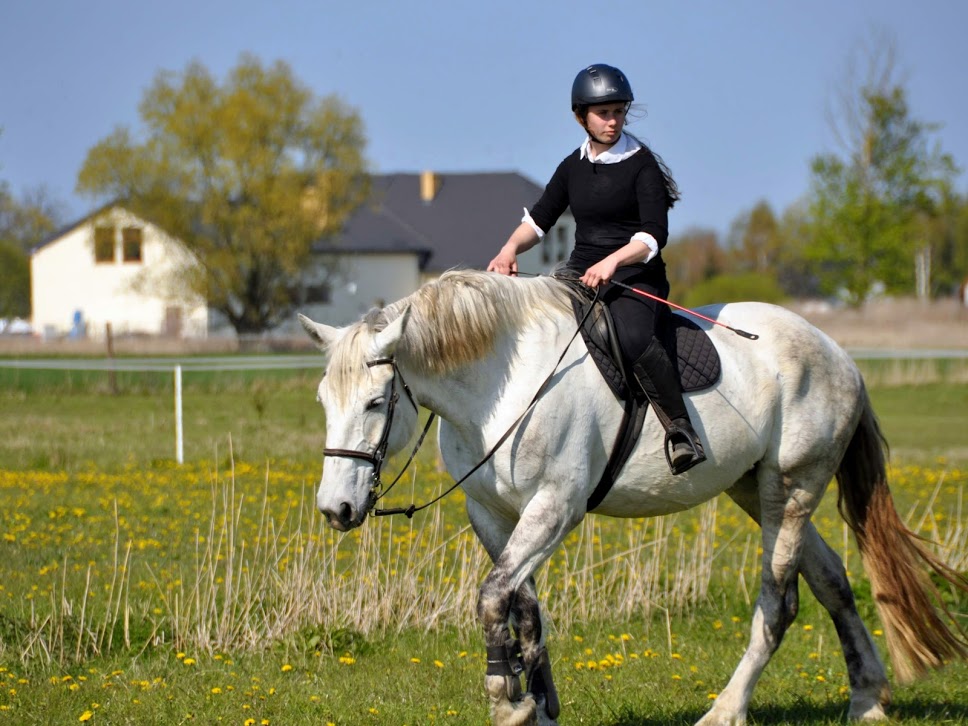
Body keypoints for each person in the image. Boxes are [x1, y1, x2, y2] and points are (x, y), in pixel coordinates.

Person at [487, 63, 705, 475]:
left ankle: (680, 430)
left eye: (619, 112)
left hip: (637, 276)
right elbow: (539, 220)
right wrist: (509, 248)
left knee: (636, 336)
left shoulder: (642, 165)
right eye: (603, 113)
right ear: (580, 117)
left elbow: (654, 235)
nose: (612, 121)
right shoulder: (572, 166)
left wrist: (613, 260)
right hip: (580, 273)